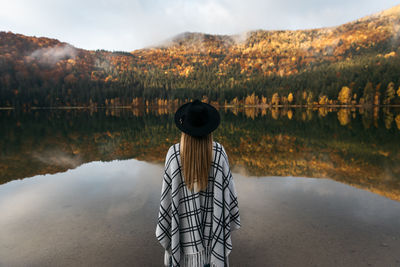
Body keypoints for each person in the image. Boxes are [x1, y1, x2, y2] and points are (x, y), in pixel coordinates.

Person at [155, 99, 241, 267]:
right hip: (212, 247)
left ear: (184, 128)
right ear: (209, 128)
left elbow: (167, 205)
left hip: (183, 248)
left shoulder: (173, 155)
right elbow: (229, 199)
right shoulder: (219, 153)